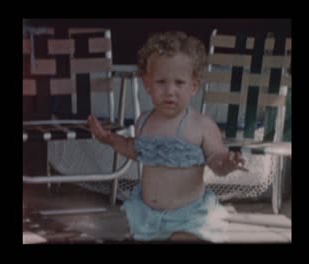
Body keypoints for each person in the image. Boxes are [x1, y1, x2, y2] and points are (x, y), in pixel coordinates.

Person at [87, 31, 246, 242]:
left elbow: (216, 158)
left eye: (179, 83)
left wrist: (227, 163)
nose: (170, 91)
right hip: (148, 217)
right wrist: (110, 139)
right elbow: (135, 149)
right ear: (147, 84)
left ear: (194, 87)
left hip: (188, 218)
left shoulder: (201, 125)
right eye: (161, 82)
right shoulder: (144, 120)